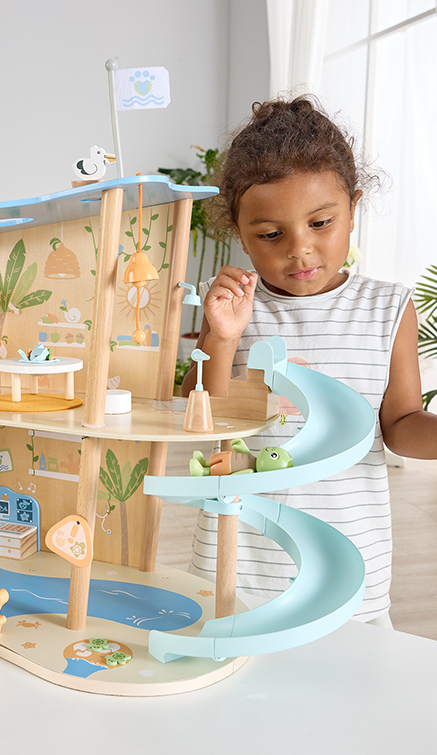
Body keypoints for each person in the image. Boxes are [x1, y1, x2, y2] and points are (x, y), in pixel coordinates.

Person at [181, 96, 437, 624]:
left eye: (321, 223)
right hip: (240, 560)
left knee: (352, 673)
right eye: (271, 235)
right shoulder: (234, 306)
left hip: (348, 557)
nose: (299, 249)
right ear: (239, 232)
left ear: (353, 208)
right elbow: (196, 414)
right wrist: (223, 338)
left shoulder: (388, 308)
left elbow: (401, 425)